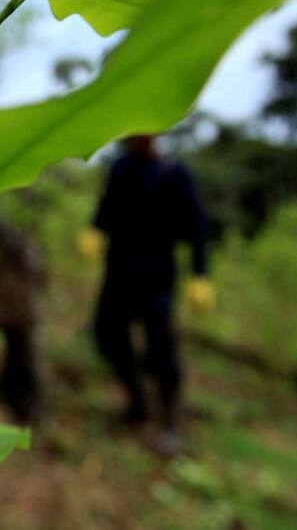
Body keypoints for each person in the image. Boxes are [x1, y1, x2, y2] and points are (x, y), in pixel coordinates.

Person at [86, 134, 212, 453]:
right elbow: (107, 206)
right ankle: (137, 401)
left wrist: (201, 274)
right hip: (118, 274)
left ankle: (169, 421)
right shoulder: (121, 169)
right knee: (107, 336)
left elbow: (197, 226)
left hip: (157, 278)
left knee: (161, 350)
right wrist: (94, 229)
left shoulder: (173, 173)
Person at [0, 221, 48, 423]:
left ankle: (28, 407)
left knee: (23, 359)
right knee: (15, 356)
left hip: (22, 315)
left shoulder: (24, 255)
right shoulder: (10, 261)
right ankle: (17, 400)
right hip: (16, 316)